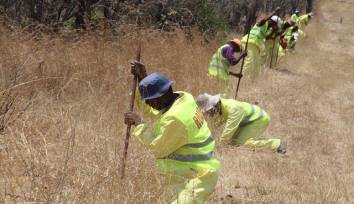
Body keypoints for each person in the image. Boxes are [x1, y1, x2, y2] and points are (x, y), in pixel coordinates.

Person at [124, 62, 220, 204]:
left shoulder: (176, 118)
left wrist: (139, 124)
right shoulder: (183, 98)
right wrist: (143, 79)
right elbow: (154, 111)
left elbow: (158, 148)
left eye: (150, 100)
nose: (149, 104)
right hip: (187, 174)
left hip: (197, 176)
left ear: (162, 95)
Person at [196, 93, 287, 153]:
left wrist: (218, 147)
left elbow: (229, 131)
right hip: (248, 122)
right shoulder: (222, 107)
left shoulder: (233, 109)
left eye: (209, 111)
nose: (209, 114)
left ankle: (278, 144)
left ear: (215, 106)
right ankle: (259, 140)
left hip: (259, 119)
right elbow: (215, 126)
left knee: (242, 144)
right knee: (233, 143)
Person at [242, 14, 281, 80]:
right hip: (249, 42)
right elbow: (263, 20)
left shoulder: (268, 29)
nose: (275, 27)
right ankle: (243, 78)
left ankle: (252, 81)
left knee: (256, 65)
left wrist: (274, 32)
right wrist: (274, 12)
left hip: (257, 46)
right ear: (272, 22)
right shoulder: (263, 23)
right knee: (249, 62)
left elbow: (267, 37)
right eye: (275, 25)